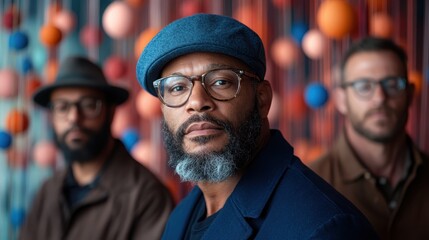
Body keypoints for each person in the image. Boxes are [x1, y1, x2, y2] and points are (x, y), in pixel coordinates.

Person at [135, 13, 377, 239]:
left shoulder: (324, 228)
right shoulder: (182, 215)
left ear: (262, 99)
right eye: (177, 88)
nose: (197, 102)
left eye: (221, 81)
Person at [19, 56, 174, 240]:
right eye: (62, 107)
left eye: (89, 105)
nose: (74, 118)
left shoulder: (147, 197)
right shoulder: (48, 191)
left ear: (110, 113)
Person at [309, 37, 429, 240]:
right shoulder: (311, 186)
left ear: (409, 94)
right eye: (364, 86)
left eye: (392, 84)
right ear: (341, 100)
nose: (380, 97)